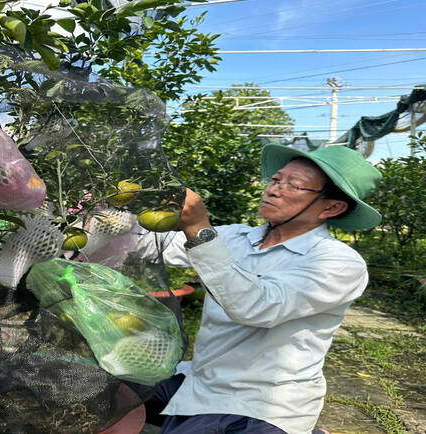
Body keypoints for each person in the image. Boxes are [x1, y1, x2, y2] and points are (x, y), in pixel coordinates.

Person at [134, 144, 383, 434]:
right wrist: (98, 215)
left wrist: (200, 230)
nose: (273, 190)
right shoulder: (236, 237)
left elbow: (257, 307)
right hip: (199, 379)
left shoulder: (338, 263)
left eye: (295, 185)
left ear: (332, 207)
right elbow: (147, 245)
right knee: (100, 387)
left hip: (261, 403)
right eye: (276, 180)